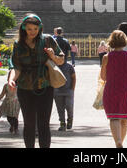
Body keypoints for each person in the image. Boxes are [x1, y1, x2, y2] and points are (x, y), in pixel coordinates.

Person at [8, 14, 64, 148]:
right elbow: (16, 66)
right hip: (25, 88)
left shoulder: (48, 40)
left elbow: (61, 60)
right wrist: (11, 80)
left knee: (43, 123)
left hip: (45, 86)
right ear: (23, 29)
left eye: (35, 29)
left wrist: (52, 56)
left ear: (40, 28)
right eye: (29, 29)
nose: (32, 32)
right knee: (29, 123)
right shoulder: (18, 44)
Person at [100, 30, 127, 148]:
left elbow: (103, 76)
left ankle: (117, 141)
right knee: (124, 119)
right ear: (124, 41)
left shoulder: (106, 57)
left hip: (111, 88)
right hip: (126, 89)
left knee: (113, 117)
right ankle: (121, 141)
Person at [53, 48, 76, 131]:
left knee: (69, 106)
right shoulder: (54, 66)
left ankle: (70, 119)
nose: (61, 57)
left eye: (62, 56)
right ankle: (62, 123)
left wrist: (72, 89)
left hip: (68, 90)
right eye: (59, 56)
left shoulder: (69, 66)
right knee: (60, 108)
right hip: (57, 91)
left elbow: (73, 77)